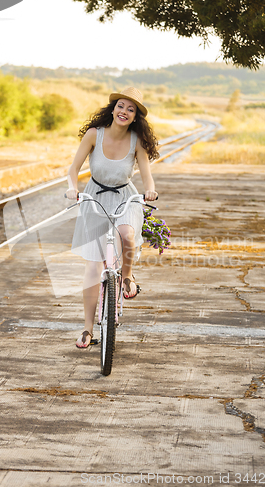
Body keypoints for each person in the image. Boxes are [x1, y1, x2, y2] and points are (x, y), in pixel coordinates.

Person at [66, 87, 159, 348]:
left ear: (135, 117)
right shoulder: (95, 134)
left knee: (127, 235)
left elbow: (146, 173)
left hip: (125, 197)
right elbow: (73, 168)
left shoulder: (136, 141)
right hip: (94, 196)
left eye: (131, 109)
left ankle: (127, 275)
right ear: (113, 108)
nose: (124, 112)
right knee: (94, 268)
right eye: (121, 106)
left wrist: (149, 190)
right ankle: (87, 329)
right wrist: (72, 188)